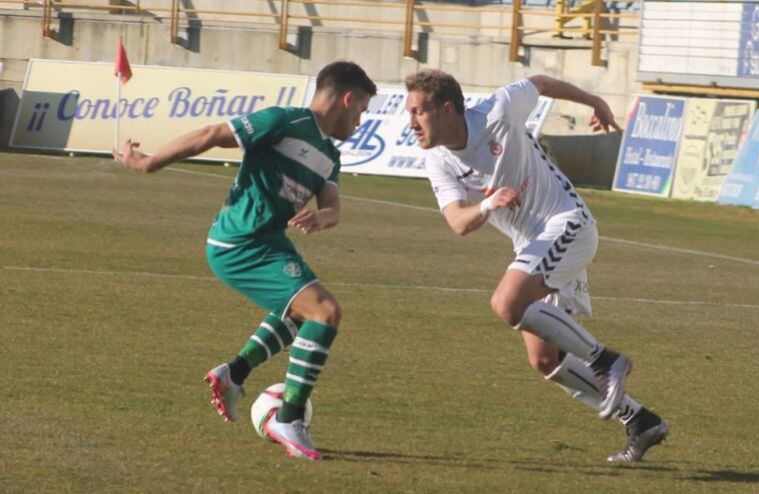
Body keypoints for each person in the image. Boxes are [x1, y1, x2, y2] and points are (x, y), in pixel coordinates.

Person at [114, 61, 377, 461]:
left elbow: (333, 205)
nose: (360, 121)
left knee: (306, 314)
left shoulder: (329, 155)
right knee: (325, 312)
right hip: (238, 244)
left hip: (270, 243)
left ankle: (233, 375)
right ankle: (287, 418)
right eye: (360, 110)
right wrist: (147, 163)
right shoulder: (283, 121)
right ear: (347, 98)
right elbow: (211, 134)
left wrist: (324, 216)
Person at [405, 69, 668, 462]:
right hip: (534, 243)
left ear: (445, 110)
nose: (410, 122)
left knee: (507, 303)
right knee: (544, 358)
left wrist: (594, 101)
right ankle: (640, 421)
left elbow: (541, 83)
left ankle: (606, 359)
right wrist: (489, 204)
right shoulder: (438, 161)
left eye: (417, 112)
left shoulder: (500, 110)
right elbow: (459, 222)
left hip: (568, 224)